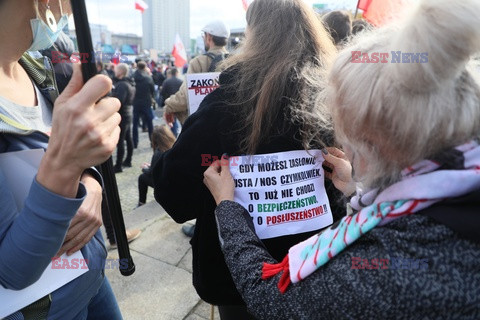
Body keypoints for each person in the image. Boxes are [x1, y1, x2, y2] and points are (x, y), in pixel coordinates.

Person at [202, 0, 480, 318]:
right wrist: (356, 191)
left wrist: (228, 208)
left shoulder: (383, 268)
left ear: (375, 145)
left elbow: (270, 298)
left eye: (344, 130)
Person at [153, 0, 341, 318]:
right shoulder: (334, 98)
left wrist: (160, 159)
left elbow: (175, 195)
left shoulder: (223, 106)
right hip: (320, 265)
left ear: (253, 35)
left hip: (239, 285)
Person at [0, 0, 123, 318]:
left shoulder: (34, 67)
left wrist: (91, 181)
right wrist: (66, 164)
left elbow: (67, 151)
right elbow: (12, 271)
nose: (68, 9)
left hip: (90, 276)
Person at [163, 20, 230, 127]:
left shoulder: (198, 62)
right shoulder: (235, 61)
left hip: (205, 125)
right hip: (229, 124)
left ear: (209, 37)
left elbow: (185, 97)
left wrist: (168, 107)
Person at [138, 125, 176, 207]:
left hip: (165, 185)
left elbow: (152, 173)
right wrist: (151, 166)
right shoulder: (174, 145)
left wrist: (145, 168)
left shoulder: (158, 152)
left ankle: (141, 202)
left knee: (142, 178)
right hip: (174, 181)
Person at [113, 63, 135, 173]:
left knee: (120, 140)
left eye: (116, 69)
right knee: (128, 138)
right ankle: (128, 160)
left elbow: (118, 101)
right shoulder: (129, 83)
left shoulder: (122, 85)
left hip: (123, 114)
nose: (114, 71)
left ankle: (118, 165)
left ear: (121, 72)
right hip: (128, 113)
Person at [132, 61, 155, 148]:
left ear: (137, 67)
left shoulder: (133, 77)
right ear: (145, 67)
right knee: (150, 123)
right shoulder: (148, 78)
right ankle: (152, 142)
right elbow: (152, 91)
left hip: (136, 102)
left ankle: (135, 143)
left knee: (135, 123)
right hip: (146, 102)